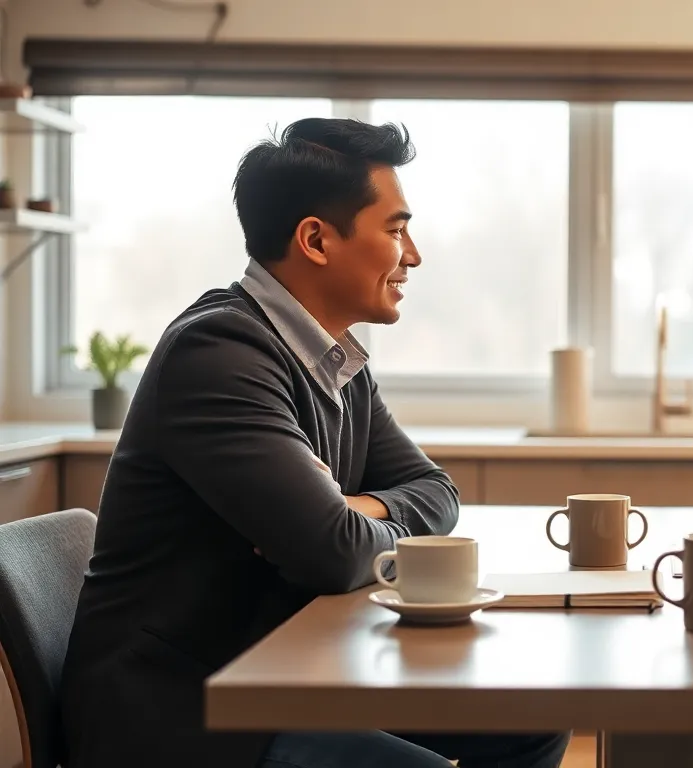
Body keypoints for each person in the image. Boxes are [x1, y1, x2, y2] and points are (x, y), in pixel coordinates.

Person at [59, 118, 570, 768]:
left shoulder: (339, 364)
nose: (413, 255)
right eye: (395, 230)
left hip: (289, 675)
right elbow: (335, 554)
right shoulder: (218, 354)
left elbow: (438, 493)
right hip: (181, 712)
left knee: (533, 725)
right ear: (316, 240)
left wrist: (358, 509)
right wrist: (341, 526)